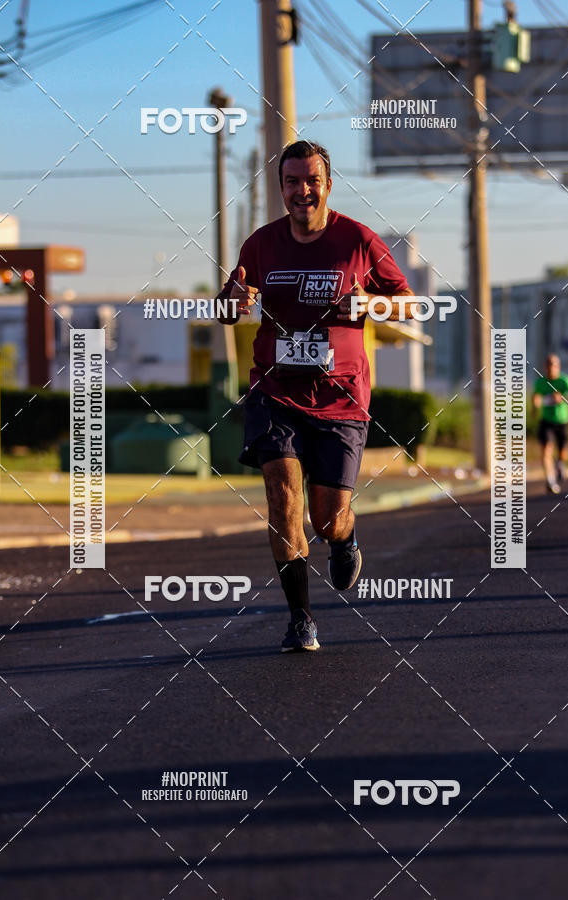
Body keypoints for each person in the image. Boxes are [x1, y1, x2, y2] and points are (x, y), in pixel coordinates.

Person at [218, 140, 413, 652]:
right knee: (283, 498)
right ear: (280, 186)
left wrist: (371, 303)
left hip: (341, 397)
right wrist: (232, 301)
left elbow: (410, 305)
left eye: (311, 180)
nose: (302, 190)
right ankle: (300, 617)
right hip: (274, 389)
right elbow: (226, 309)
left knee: (326, 517)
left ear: (328, 184)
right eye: (291, 181)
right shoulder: (261, 244)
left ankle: (343, 538)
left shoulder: (359, 240)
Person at [532, 353, 568, 494]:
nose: (550, 368)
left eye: (553, 365)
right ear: (544, 367)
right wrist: (535, 406)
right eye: (548, 365)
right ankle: (550, 479)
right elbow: (535, 396)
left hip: (562, 421)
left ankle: (560, 464)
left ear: (558, 367)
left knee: (563, 453)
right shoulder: (540, 382)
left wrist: (563, 397)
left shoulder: (565, 381)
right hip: (546, 421)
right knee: (546, 450)